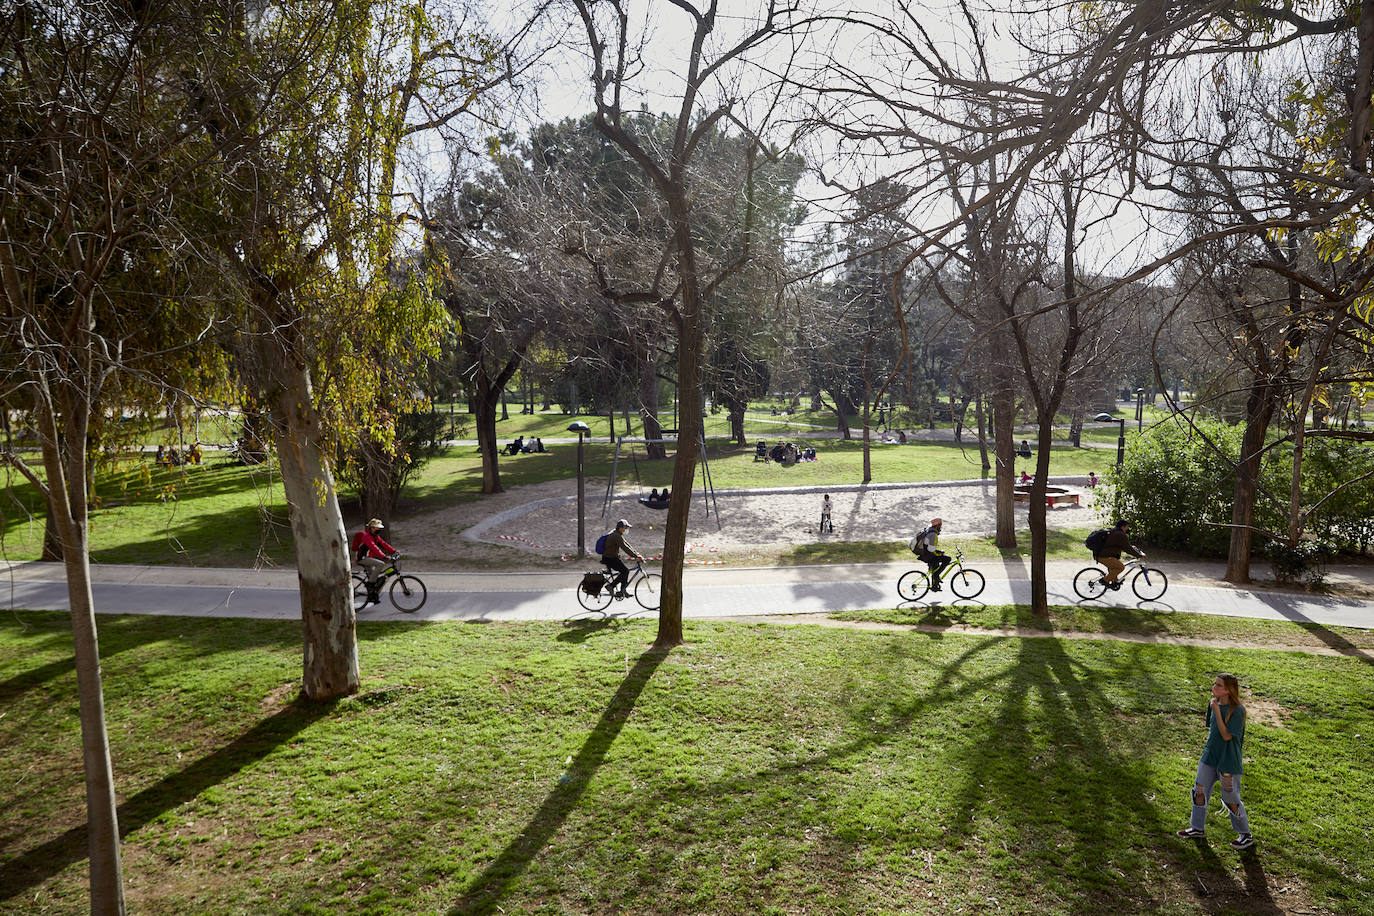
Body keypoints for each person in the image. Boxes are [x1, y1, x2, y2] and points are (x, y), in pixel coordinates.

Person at [1177, 674, 1255, 850]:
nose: (1214, 687)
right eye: (1215, 683)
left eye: (1218, 685)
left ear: (1228, 689)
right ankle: (1197, 828)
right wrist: (1214, 709)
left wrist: (1217, 712)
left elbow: (1226, 735)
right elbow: (1212, 731)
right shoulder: (1213, 704)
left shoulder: (1237, 710)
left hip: (1228, 762)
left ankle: (1245, 834)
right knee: (1199, 791)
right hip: (1209, 757)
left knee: (1230, 799)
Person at [351, 517, 397, 603]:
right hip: (362, 559)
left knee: (375, 579)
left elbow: (384, 544)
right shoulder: (367, 537)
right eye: (377, 527)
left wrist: (394, 551)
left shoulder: (375, 536)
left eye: (379, 528)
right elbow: (374, 548)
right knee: (381, 564)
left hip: (368, 558)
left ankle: (372, 597)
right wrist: (384, 556)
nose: (379, 529)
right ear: (371, 528)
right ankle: (369, 584)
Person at [600, 518, 645, 599]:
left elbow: (627, 545)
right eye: (625, 527)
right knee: (625, 571)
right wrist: (636, 556)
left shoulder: (617, 534)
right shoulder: (616, 536)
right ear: (621, 527)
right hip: (609, 558)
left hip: (612, 557)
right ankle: (611, 586)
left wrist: (637, 554)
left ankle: (622, 591)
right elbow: (625, 548)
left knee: (624, 571)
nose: (626, 529)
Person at [1095, 519, 1145, 590]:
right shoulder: (1120, 534)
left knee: (1116, 566)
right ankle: (1104, 580)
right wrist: (1139, 555)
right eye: (1127, 527)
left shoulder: (1115, 531)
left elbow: (1126, 546)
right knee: (1120, 567)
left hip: (1102, 555)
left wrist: (1135, 550)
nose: (1127, 528)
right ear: (1123, 526)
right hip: (1104, 556)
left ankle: (1115, 582)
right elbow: (1128, 548)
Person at [910, 518, 951, 592]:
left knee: (936, 565)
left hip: (925, 554)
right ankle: (936, 576)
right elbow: (931, 549)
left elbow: (929, 547)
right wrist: (939, 553)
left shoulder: (929, 530)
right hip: (928, 556)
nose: (941, 527)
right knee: (947, 559)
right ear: (937, 526)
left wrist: (938, 552)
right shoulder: (933, 535)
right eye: (940, 525)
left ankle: (935, 586)